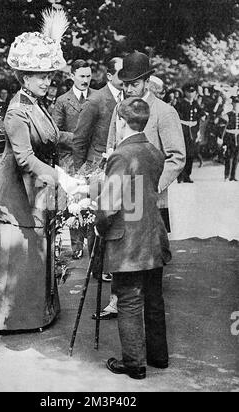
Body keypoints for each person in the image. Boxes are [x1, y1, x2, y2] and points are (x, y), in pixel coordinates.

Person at [0, 10, 83, 332]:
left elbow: (53, 137)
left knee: (36, 252)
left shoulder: (38, 103)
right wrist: (62, 177)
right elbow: (25, 159)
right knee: (19, 256)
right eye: (40, 76)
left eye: (48, 75)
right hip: (14, 195)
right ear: (24, 77)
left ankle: (38, 314)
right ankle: (12, 321)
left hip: (35, 192)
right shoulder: (17, 110)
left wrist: (83, 144)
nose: (48, 81)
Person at [96, 50, 185, 320]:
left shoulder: (164, 112)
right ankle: (120, 300)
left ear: (147, 81)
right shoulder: (120, 109)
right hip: (124, 193)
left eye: (134, 83)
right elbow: (113, 146)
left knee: (145, 254)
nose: (128, 89)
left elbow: (177, 157)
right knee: (121, 242)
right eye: (124, 84)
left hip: (150, 195)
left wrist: (154, 187)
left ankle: (135, 305)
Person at [94, 97, 171, 379]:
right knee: (153, 298)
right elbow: (139, 194)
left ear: (121, 122)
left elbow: (109, 205)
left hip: (129, 241)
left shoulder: (120, 155)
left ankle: (134, 364)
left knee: (128, 299)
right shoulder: (153, 152)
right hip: (153, 236)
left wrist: (99, 226)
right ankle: (158, 357)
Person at [53, 59, 94, 259]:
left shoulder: (97, 98)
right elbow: (54, 132)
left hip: (92, 158)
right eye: (81, 76)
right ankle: (77, 245)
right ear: (72, 76)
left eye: (88, 76)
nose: (85, 80)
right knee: (74, 201)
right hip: (70, 158)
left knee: (93, 199)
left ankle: (94, 246)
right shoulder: (62, 101)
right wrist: (77, 140)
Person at [73, 57, 124, 170]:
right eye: (121, 74)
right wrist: (79, 172)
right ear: (110, 76)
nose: (126, 78)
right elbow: (79, 140)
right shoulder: (95, 100)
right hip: (98, 165)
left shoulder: (129, 99)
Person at [175, 82, 205, 183]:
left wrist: (203, 116)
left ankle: (187, 175)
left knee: (191, 154)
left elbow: (202, 114)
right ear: (185, 92)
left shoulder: (196, 103)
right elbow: (176, 117)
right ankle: (180, 176)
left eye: (193, 91)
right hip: (183, 130)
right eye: (189, 91)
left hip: (193, 131)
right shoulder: (180, 103)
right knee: (182, 153)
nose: (191, 94)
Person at [222, 95, 239, 181]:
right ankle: (226, 175)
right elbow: (223, 127)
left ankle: (233, 176)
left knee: (236, 157)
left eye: (238, 104)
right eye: (235, 104)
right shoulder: (228, 114)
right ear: (233, 105)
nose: (237, 106)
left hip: (238, 138)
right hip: (229, 138)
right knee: (228, 157)